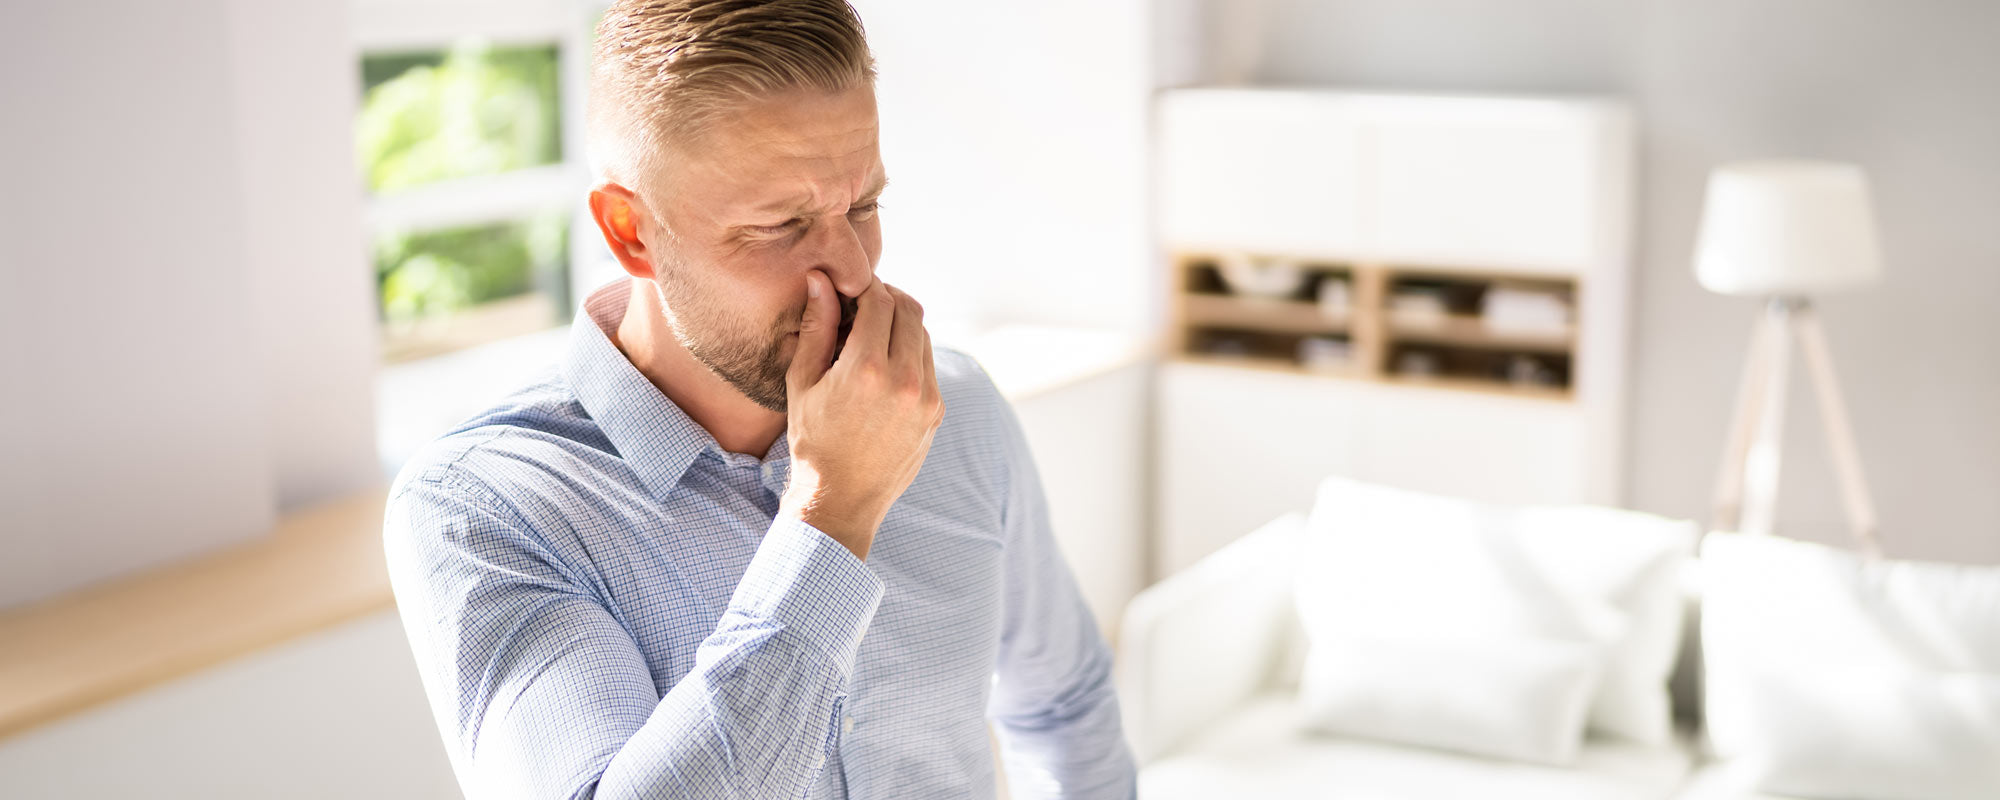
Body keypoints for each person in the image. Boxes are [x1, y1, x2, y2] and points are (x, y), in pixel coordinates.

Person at [380, 1, 1137, 798]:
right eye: (782, 224)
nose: (852, 272)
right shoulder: (486, 508)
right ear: (631, 230)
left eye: (864, 206)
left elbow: (1062, 707)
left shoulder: (958, 410)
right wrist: (833, 517)